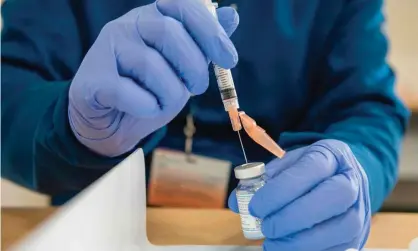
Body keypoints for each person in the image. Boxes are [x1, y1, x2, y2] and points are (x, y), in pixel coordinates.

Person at [1, 0, 410, 250]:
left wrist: (354, 170)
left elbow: (366, 106)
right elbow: (9, 90)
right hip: (99, 230)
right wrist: (72, 124)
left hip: (273, 235)